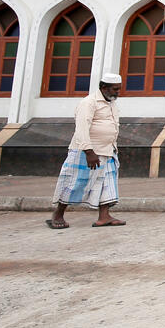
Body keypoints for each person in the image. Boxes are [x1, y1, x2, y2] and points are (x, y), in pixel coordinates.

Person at [46, 73, 126, 229]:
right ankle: (58, 214)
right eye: (115, 89)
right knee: (75, 182)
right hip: (87, 152)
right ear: (104, 87)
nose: (118, 92)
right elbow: (82, 128)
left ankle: (104, 217)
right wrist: (89, 152)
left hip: (107, 151)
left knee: (107, 184)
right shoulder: (89, 103)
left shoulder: (111, 103)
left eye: (119, 89)